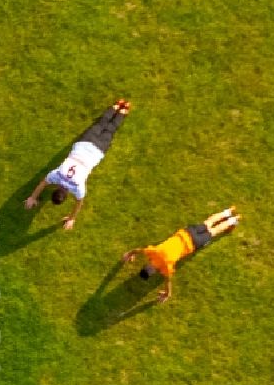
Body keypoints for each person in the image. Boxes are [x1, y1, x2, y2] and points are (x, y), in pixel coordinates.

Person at [23, 100, 131, 231]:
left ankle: (124, 110)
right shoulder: (56, 175)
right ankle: (117, 106)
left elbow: (79, 204)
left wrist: (71, 218)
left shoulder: (78, 187)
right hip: (85, 143)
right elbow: (42, 183)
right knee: (101, 123)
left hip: (97, 151)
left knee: (110, 130)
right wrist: (32, 197)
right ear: (56, 188)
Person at [121, 208, 239, 303]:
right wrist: (130, 253)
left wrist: (167, 293)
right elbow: (140, 250)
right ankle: (228, 211)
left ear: (152, 273)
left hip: (193, 243)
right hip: (186, 233)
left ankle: (233, 220)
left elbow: (168, 281)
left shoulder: (165, 267)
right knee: (208, 223)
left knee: (214, 231)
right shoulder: (153, 252)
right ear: (146, 265)